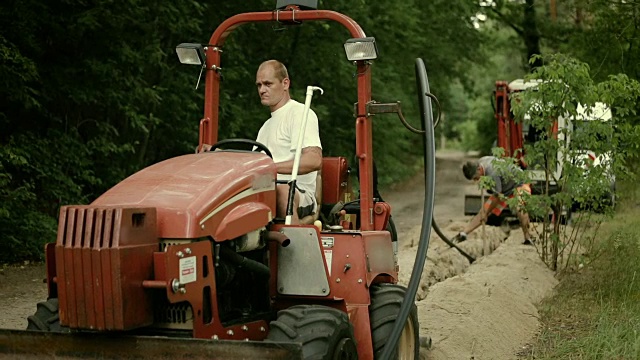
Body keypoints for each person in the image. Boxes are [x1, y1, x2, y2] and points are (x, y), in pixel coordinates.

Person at [255, 60, 323, 224]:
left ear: (285, 83)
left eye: (267, 84)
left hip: (298, 193)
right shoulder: (265, 127)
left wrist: (270, 168)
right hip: (267, 190)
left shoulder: (299, 113)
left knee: (282, 190)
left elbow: (314, 160)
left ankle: (291, 246)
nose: (262, 90)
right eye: (258, 85)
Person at [456, 156, 533, 245]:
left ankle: (528, 238)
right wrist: (485, 212)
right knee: (483, 211)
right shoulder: (481, 162)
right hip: (505, 188)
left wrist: (487, 212)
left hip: (520, 183)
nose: (475, 180)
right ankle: (463, 233)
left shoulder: (492, 172)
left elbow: (498, 196)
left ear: (479, 169)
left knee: (520, 207)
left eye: (475, 178)